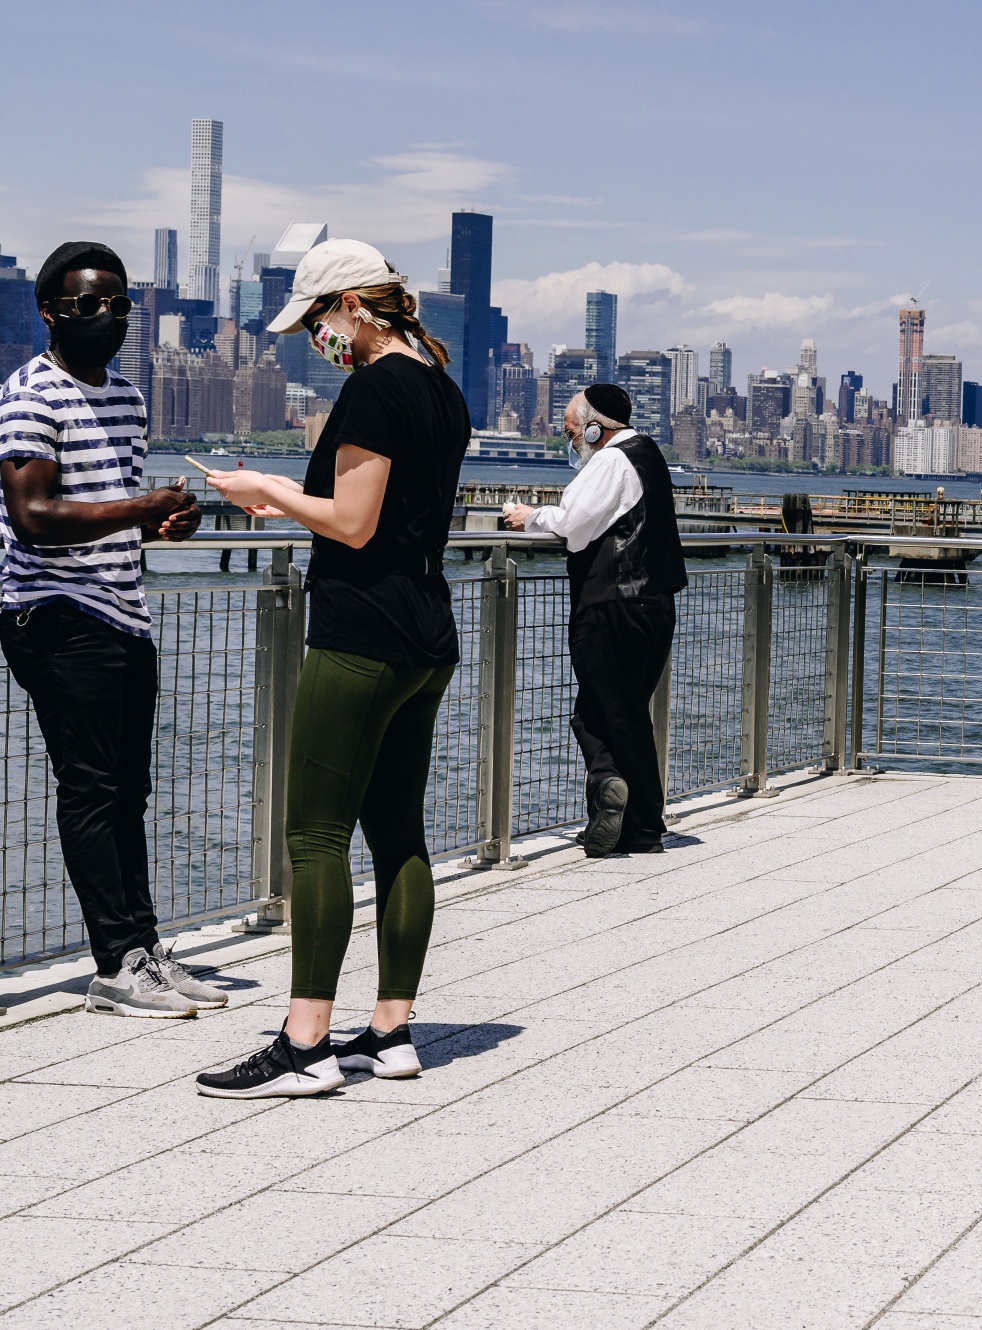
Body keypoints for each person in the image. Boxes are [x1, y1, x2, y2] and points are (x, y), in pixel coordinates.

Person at [194, 238, 468, 1097]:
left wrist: (264, 491)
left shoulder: (375, 386)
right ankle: (390, 1031)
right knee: (399, 834)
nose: (317, 336)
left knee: (313, 832)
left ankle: (305, 1041)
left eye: (318, 318)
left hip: (361, 635)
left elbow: (352, 522)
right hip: (427, 633)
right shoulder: (440, 388)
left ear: (353, 304)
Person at [0, 240, 224, 1018]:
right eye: (86, 304)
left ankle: (144, 950)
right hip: (55, 613)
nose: (105, 317)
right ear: (50, 312)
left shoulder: (128, 397)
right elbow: (31, 518)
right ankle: (115, 967)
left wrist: (165, 523)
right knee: (93, 789)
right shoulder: (29, 395)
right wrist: (140, 508)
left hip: (123, 610)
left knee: (129, 790)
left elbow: (110, 509)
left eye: (118, 304)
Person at [503, 384, 686, 856]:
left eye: (571, 432)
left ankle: (642, 823)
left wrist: (528, 516)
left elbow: (573, 522)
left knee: (617, 715)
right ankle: (610, 800)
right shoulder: (648, 454)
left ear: (592, 427)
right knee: (601, 712)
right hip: (654, 605)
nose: (570, 442)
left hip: (612, 604)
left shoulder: (609, 460)